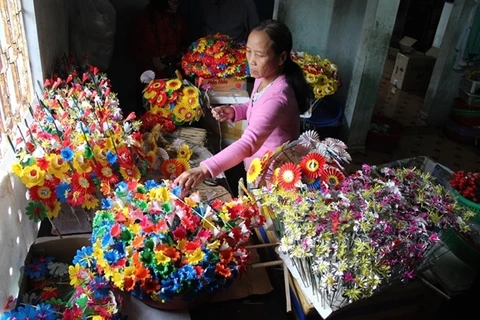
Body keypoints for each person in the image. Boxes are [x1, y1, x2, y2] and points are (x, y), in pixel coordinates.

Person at [174, 19, 312, 191]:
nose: (251, 61)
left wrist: (204, 169)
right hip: (258, 165)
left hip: (274, 176)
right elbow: (257, 106)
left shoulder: (279, 97)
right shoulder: (263, 77)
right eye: (248, 51)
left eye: (260, 55)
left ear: (281, 58)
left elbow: (249, 143)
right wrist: (234, 111)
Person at [129, 0, 187, 83]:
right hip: (151, 76)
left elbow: (185, 42)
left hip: (176, 73)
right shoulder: (142, 19)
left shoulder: (178, 18)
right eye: (172, 1)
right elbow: (132, 49)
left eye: (177, 1)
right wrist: (152, 58)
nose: (176, 4)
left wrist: (182, 53)